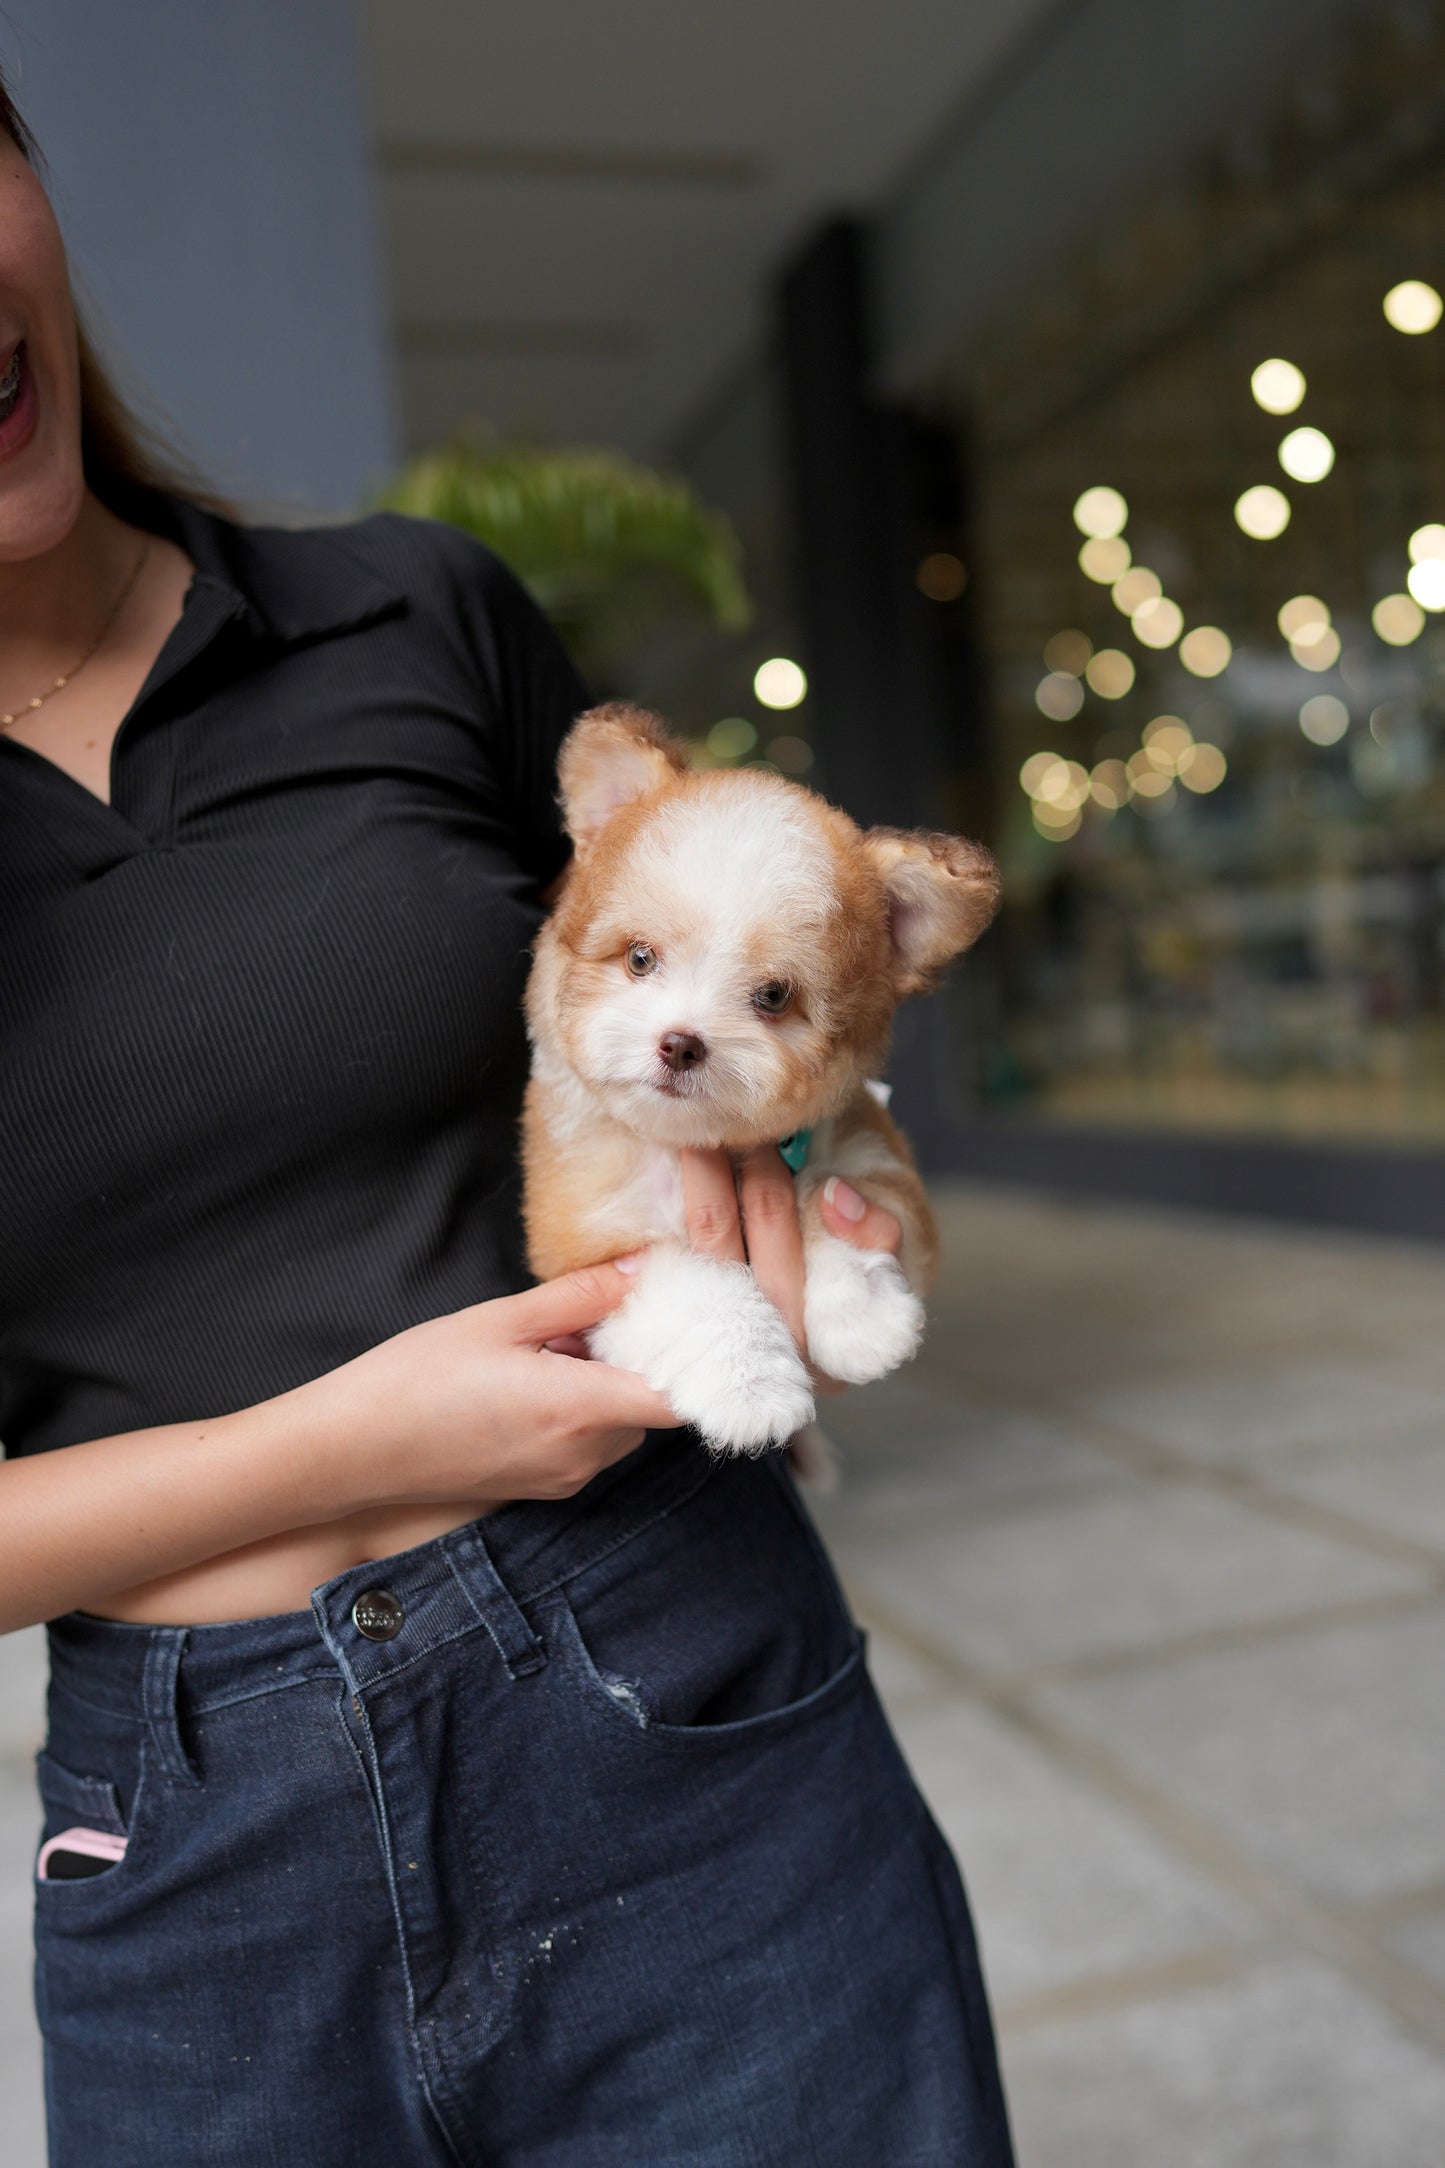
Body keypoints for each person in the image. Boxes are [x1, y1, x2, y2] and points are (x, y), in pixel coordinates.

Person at [0, 74, 1015, 2168]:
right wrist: (351, 1442)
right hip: (202, 1852)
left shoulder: (409, 614)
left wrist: (823, 1222)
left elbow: (736, 993)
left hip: (667, 1657)